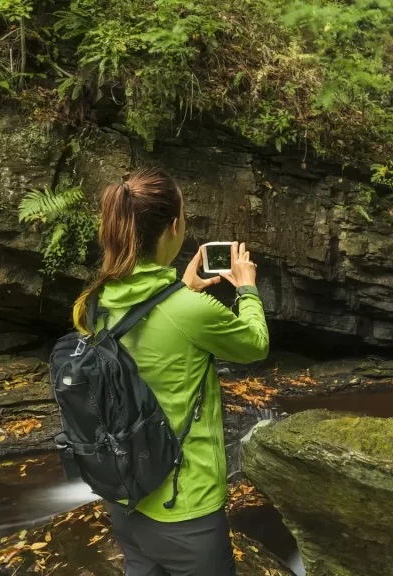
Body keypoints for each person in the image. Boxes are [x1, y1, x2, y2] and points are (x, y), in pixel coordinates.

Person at [71, 167, 269, 576]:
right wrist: (247, 288)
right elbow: (255, 345)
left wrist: (182, 290)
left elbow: (146, 334)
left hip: (124, 494)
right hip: (187, 508)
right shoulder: (189, 311)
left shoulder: (93, 303)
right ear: (175, 226)